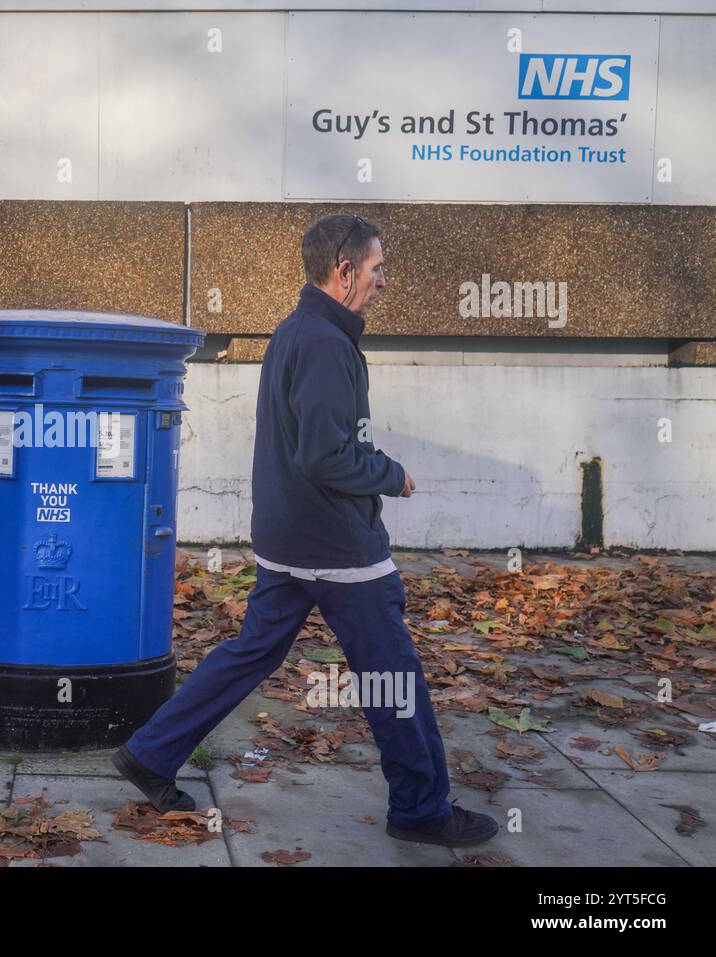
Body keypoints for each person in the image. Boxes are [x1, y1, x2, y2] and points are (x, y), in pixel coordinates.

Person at [111, 213, 499, 847]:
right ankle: (422, 810)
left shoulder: (298, 330)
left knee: (250, 654)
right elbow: (325, 455)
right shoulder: (323, 342)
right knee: (392, 675)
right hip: (337, 546)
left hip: (290, 540)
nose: (383, 281)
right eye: (376, 269)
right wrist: (391, 474)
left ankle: (150, 753)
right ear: (343, 271)